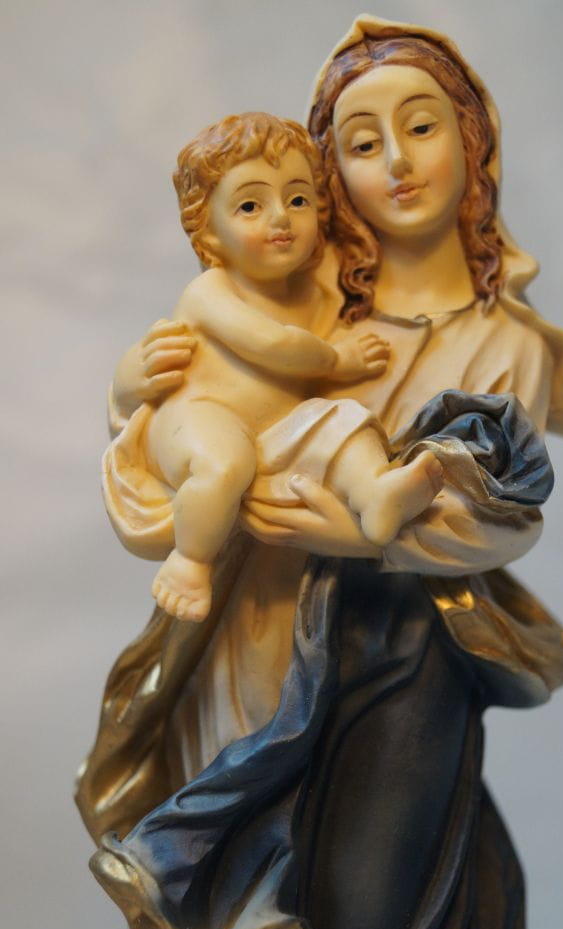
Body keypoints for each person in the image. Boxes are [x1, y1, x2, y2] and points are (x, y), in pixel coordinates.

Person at [77, 16, 563, 929]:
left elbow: (505, 518)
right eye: (361, 143)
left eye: (422, 127)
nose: (396, 162)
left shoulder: (501, 338)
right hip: (261, 638)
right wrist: (132, 390)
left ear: (473, 143)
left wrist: (350, 529)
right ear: (330, 173)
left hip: (408, 651)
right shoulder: (309, 286)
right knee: (259, 891)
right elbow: (185, 424)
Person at [105, 111, 442, 623]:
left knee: (342, 422)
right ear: (208, 232)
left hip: (274, 432)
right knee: (225, 464)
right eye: (250, 205)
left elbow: (319, 370)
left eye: (298, 200)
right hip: (198, 418)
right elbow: (273, 345)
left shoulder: (315, 298)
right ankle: (190, 562)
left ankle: (376, 494)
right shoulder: (209, 291)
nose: (281, 218)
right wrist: (340, 359)